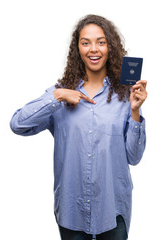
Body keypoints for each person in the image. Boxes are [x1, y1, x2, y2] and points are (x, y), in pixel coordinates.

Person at [10, 14, 147, 240]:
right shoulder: (60, 93)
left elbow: (134, 157)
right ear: (78, 49)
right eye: (86, 42)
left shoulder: (125, 96)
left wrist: (135, 111)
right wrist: (58, 96)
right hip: (72, 213)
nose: (94, 49)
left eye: (101, 42)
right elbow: (18, 124)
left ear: (110, 47)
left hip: (112, 212)